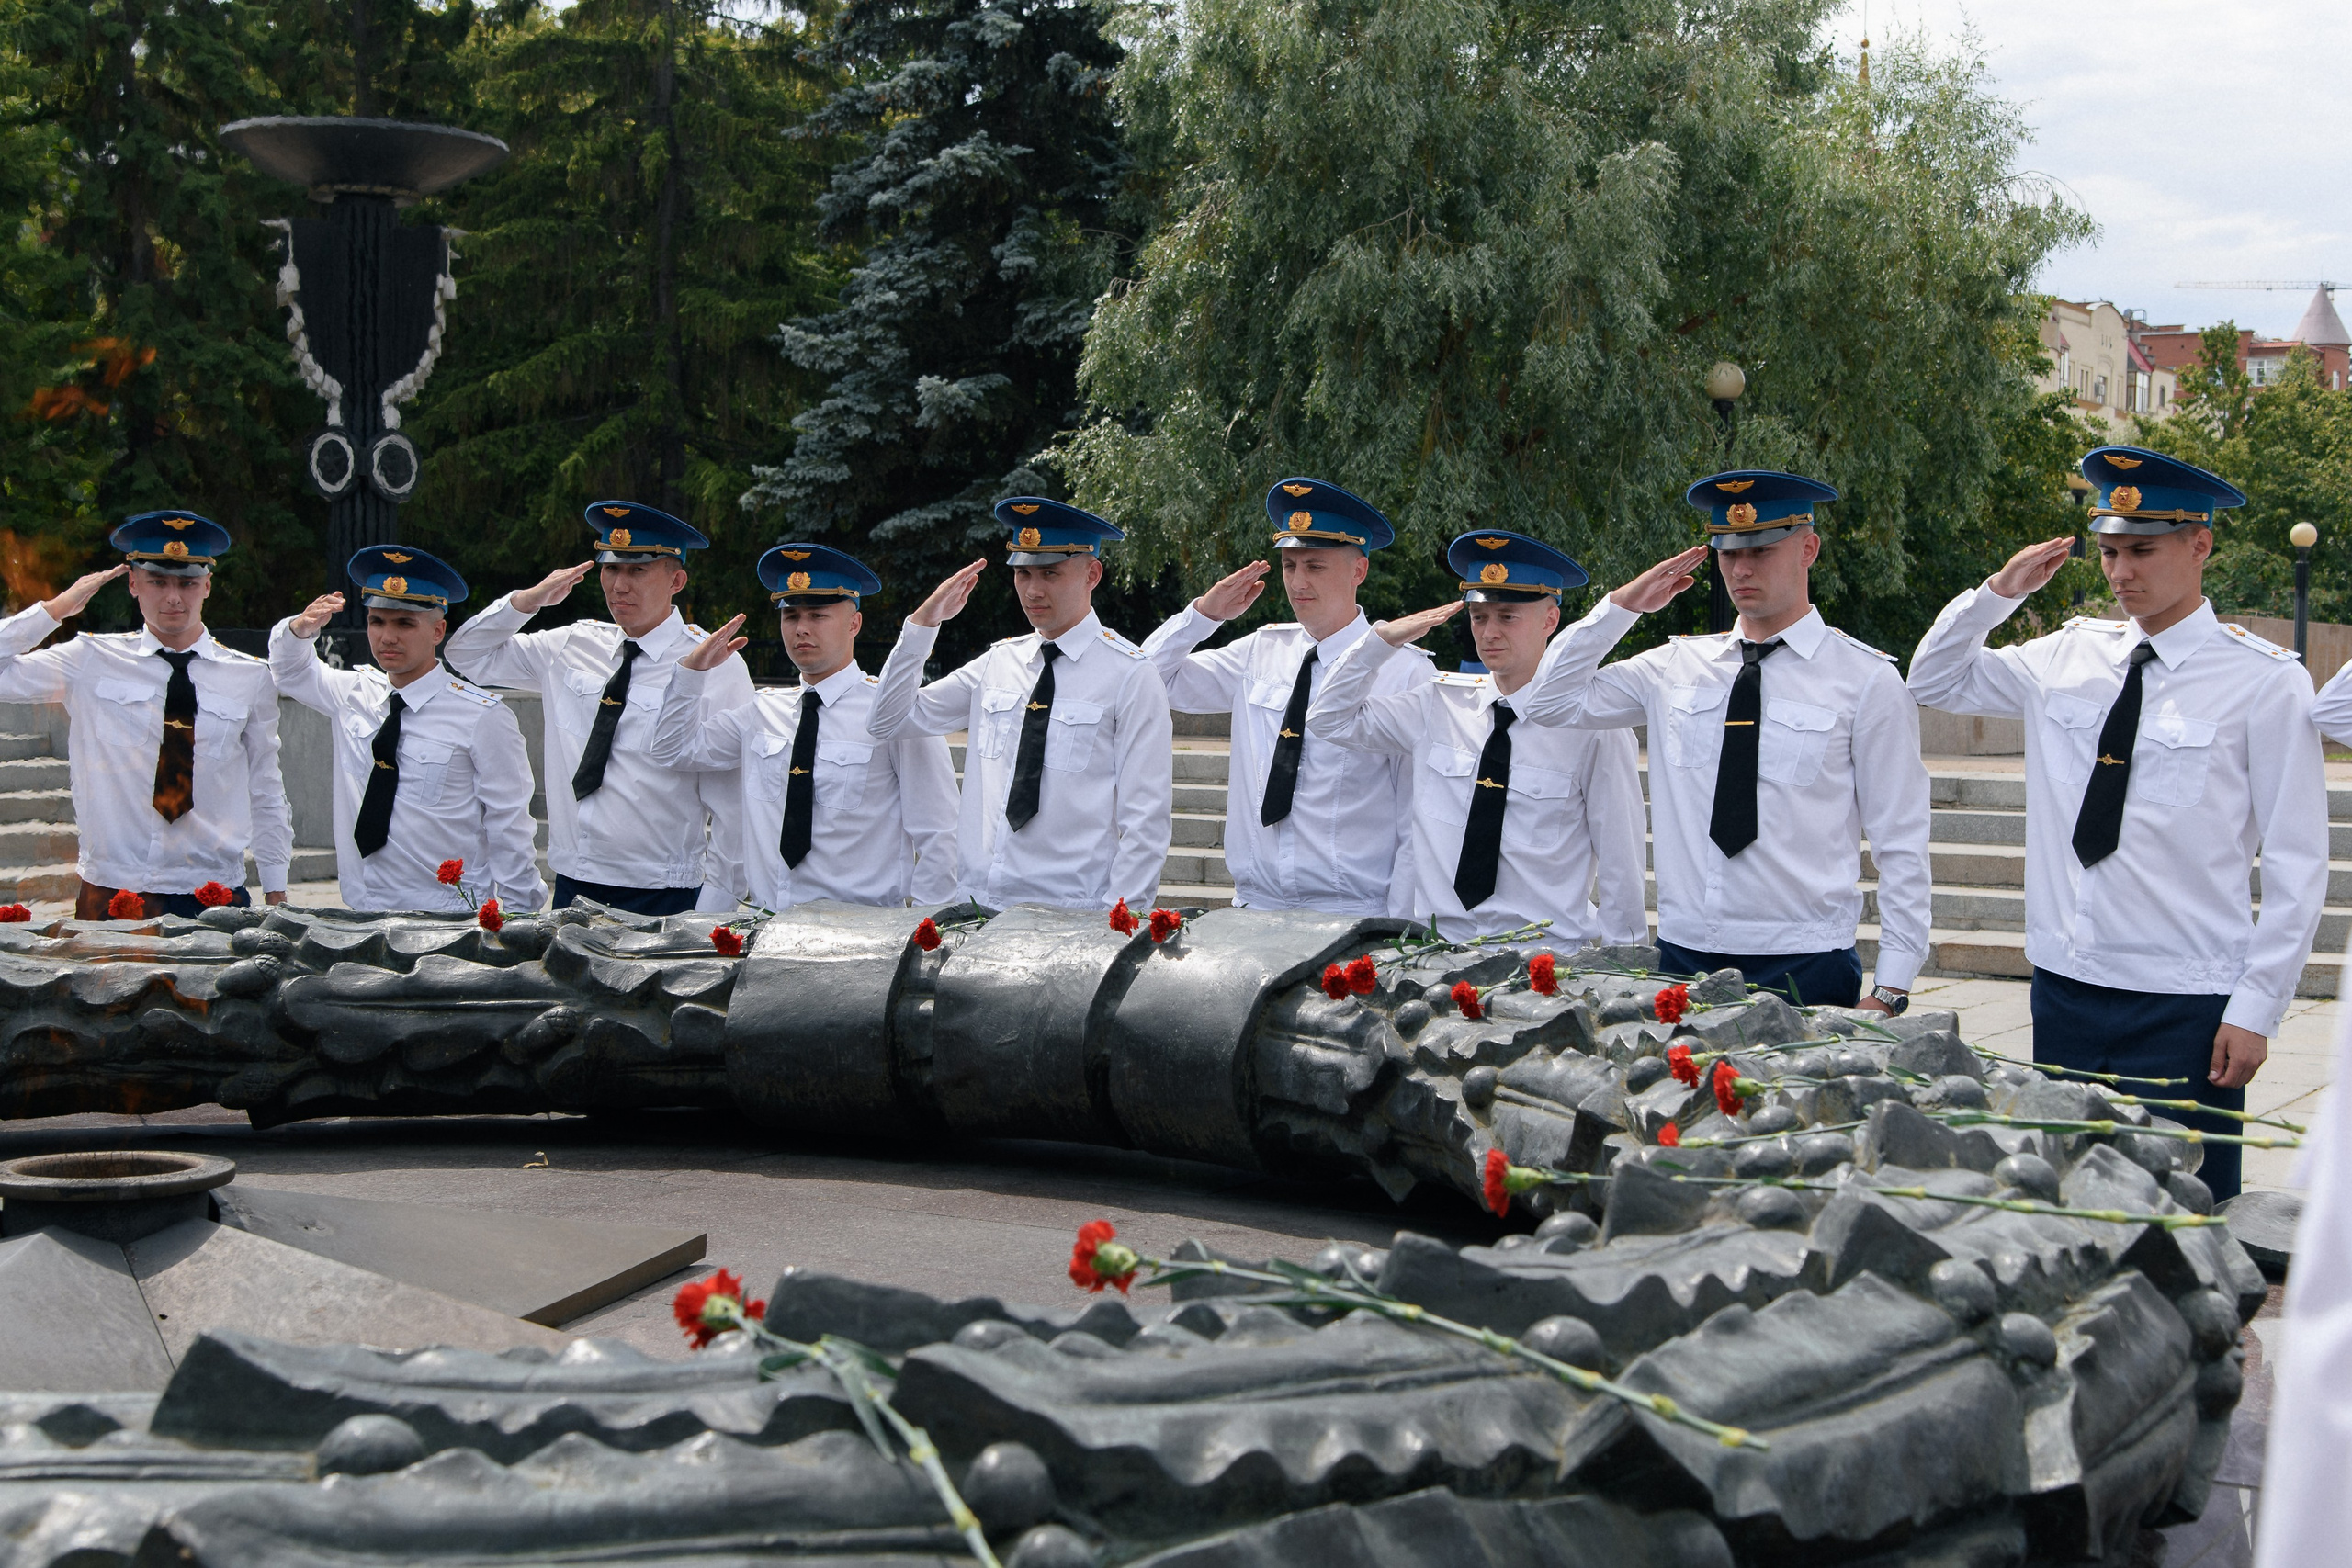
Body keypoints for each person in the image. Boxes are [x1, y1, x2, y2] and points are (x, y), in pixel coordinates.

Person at [1908, 446, 2328, 1202]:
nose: (2120, 571)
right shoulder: (2066, 655)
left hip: (2187, 1002)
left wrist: (2257, 1008)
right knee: (2065, 1204)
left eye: (2142, 549)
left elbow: (2299, 863)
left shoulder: (2265, 681)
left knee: (2182, 1222)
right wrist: (1997, 594)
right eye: (2107, 551)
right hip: (2067, 987)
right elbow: (1933, 678)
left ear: (2200, 544)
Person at [1512, 472, 1932, 1012]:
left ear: (1809, 548)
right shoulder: (1674, 666)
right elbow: (1547, 701)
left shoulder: (1865, 680)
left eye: (1760, 550)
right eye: (1727, 553)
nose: (1740, 568)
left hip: (1804, 959)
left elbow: (1902, 840)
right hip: (1685, 955)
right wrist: (1620, 607)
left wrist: (1892, 988)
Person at [1304, 530, 1646, 947]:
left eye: (1507, 616)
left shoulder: (1593, 729)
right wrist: (1379, 643)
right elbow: (1328, 720)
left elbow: (1620, 860)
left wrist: (1622, 961)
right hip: (1439, 951)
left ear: (1551, 620)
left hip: (1541, 960)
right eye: (1479, 617)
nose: (1489, 633)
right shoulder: (1438, 704)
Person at [443, 502, 753, 916]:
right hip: (574, 882)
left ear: (676, 579)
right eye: (611, 569)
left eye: (637, 570)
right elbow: (466, 656)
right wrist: (527, 602)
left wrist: (715, 909)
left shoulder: (713, 661)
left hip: (663, 889)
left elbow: (735, 800)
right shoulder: (572, 644)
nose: (619, 585)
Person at [866, 498, 1173, 912]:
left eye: (1050, 573)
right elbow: (887, 721)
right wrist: (922, 627)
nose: (1033, 590)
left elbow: (1147, 818)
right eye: (1023, 573)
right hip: (979, 904)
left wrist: (1120, 920)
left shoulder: (1130, 675)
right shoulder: (998, 663)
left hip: (1071, 911)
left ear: (1092, 574)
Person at [1138, 478, 1426, 916]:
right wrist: (1204, 616)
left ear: (1358, 571)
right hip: (1257, 905)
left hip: (1353, 914)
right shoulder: (1261, 650)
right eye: (1290, 566)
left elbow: (1414, 819)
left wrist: (1400, 930)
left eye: (1315, 566)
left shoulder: (1405, 670)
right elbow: (1145, 679)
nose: (1297, 581)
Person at [0, 513, 291, 919]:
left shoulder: (249, 676)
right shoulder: (90, 659)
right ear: (133, 584)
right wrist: (55, 610)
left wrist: (277, 890)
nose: (174, 597)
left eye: (187, 583)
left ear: (207, 585)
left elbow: (265, 786)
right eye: (158, 581)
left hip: (210, 891)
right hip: (114, 890)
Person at [650, 544, 958, 909]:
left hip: (862, 935)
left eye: (818, 615)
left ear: (854, 623)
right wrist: (691, 674)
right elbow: (672, 750)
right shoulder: (762, 711)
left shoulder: (894, 716)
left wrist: (922, 932)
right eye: (791, 616)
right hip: (767, 923)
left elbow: (940, 835)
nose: (801, 629)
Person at [270, 547, 546, 914]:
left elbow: (509, 824)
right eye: (377, 621)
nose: (387, 637)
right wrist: (297, 630)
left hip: (448, 916)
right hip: (362, 908)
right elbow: (289, 671)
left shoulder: (482, 716)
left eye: (404, 623)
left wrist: (519, 916)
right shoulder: (353, 693)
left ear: (438, 630)